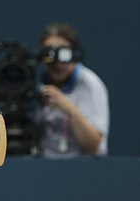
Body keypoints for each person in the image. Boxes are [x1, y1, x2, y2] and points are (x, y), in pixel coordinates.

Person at [35, 23, 109, 158]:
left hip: (82, 169)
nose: (57, 64)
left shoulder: (90, 84)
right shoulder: (37, 84)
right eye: (50, 54)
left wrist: (68, 107)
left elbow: (93, 146)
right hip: (45, 167)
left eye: (63, 54)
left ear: (74, 54)